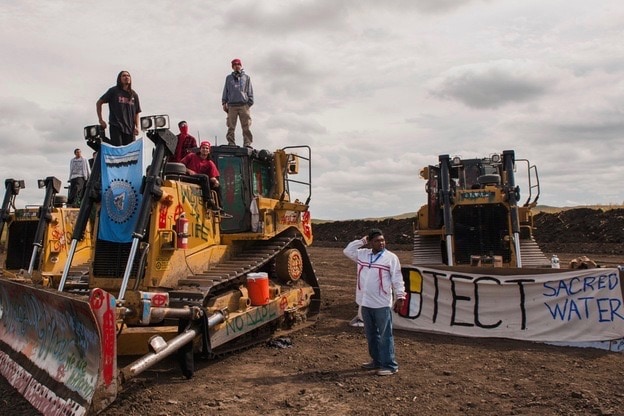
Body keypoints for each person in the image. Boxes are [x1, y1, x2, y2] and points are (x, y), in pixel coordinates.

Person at [343, 228, 406, 376]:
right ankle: (376, 361)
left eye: (383, 240)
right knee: (371, 334)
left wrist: (400, 296)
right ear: (370, 243)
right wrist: (362, 241)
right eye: (377, 241)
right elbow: (347, 250)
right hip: (365, 302)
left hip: (382, 303)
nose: (381, 243)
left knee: (385, 335)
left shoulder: (391, 258)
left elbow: (397, 278)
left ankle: (390, 365)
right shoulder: (363, 255)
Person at [96, 70, 142, 146]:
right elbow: (99, 103)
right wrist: (100, 120)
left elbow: (136, 112)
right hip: (116, 125)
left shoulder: (134, 94)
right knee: (118, 150)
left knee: (129, 152)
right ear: (119, 79)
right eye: (124, 75)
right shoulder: (113, 91)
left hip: (130, 128)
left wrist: (137, 127)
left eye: (128, 75)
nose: (126, 77)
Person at [221, 58, 254, 148]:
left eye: (238, 64)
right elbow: (225, 90)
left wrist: (249, 103)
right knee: (231, 126)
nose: (237, 66)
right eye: (235, 65)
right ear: (232, 67)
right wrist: (224, 102)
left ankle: (247, 143)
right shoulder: (228, 78)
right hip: (232, 106)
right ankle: (231, 143)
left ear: (241, 65)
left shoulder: (246, 77)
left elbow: (250, 90)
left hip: (243, 105)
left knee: (246, 126)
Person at [181, 141, 221, 208]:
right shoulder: (191, 156)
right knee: (204, 177)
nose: (205, 149)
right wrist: (188, 170)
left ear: (209, 151)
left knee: (217, 186)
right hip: (188, 178)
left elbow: (212, 176)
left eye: (207, 148)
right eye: (203, 148)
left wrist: (215, 181)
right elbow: (180, 165)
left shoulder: (210, 163)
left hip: (202, 181)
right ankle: (208, 200)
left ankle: (220, 207)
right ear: (200, 149)